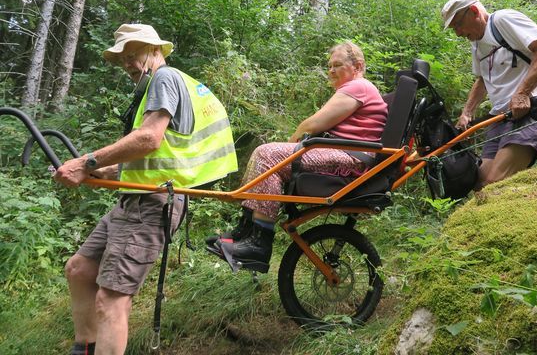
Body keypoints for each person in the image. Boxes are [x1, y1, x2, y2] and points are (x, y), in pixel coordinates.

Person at [53, 24, 237, 355]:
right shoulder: (163, 84)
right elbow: (155, 153)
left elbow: (149, 138)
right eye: (122, 58)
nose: (127, 63)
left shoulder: (163, 79)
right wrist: (100, 171)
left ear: (155, 50)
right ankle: (86, 348)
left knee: (111, 300)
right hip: (135, 200)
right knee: (79, 269)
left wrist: (86, 162)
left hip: (151, 203)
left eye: (132, 54)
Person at [206, 42, 388, 273]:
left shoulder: (358, 87)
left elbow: (313, 124)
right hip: (345, 154)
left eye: (337, 65)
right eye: (329, 66)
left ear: (358, 66)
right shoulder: (355, 88)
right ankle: (246, 231)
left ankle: (259, 244)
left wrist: (294, 143)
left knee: (269, 154)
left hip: (351, 160)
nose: (331, 70)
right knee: (267, 154)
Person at [441, 0, 537, 189]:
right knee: (480, 183)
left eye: (458, 25)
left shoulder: (503, 20)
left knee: (495, 182)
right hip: (501, 115)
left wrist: (522, 93)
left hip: (532, 106)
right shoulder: (476, 43)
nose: (458, 33)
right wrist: (467, 112)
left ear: (473, 11)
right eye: (454, 29)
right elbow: (482, 80)